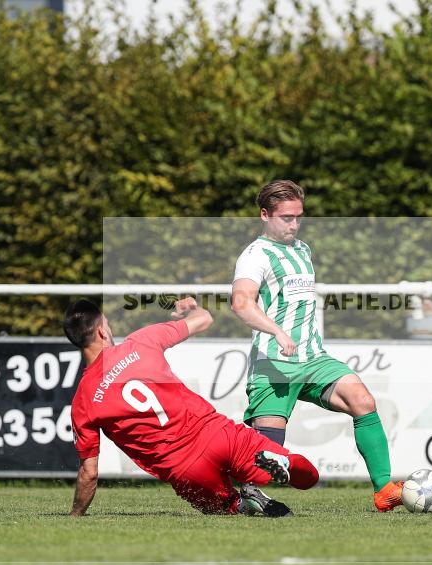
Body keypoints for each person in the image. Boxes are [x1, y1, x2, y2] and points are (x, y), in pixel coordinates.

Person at [230, 180, 403, 512]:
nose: (294, 224)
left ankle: (384, 491)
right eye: (286, 217)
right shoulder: (255, 256)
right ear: (264, 215)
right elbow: (241, 303)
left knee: (363, 401)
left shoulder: (302, 249)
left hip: (313, 360)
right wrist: (277, 332)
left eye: (299, 216)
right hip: (274, 363)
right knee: (267, 460)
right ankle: (240, 494)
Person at [63, 297, 319, 517]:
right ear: (102, 332)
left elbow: (89, 473)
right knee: (308, 477)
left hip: (185, 469)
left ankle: (245, 503)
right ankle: (284, 465)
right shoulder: (140, 341)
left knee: (226, 507)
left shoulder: (83, 400)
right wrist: (191, 309)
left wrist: (75, 515)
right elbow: (204, 320)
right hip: (217, 434)